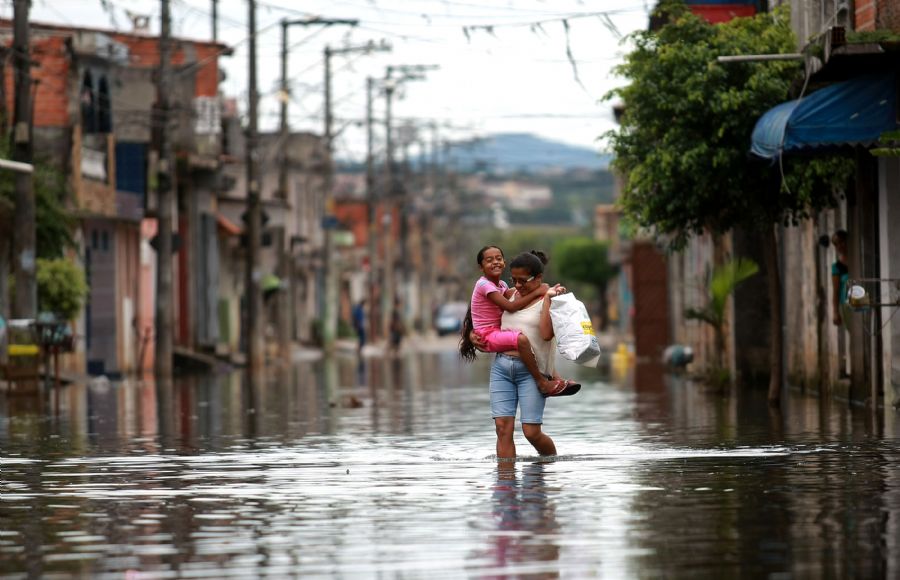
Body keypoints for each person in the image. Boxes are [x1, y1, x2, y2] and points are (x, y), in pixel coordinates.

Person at [463, 250, 579, 460]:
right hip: (502, 368)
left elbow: (545, 334)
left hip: (531, 372)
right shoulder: (510, 294)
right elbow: (485, 315)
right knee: (502, 429)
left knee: (531, 432)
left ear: (539, 279)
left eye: (523, 281)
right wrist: (472, 335)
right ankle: (505, 484)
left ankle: (550, 466)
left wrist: (548, 298)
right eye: (514, 280)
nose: (517, 285)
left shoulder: (548, 298)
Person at [460, 245, 575, 396]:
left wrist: (549, 292)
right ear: (481, 267)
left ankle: (555, 377)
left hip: (524, 356)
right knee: (521, 340)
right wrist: (469, 334)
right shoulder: (484, 285)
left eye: (499, 258)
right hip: (495, 347)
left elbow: (546, 335)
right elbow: (509, 306)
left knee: (533, 345)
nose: (495, 262)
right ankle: (542, 382)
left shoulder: (502, 286)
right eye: (515, 280)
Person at [831, 229, 849, 327]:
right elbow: (836, 291)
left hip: (864, 302)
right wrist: (835, 312)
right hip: (847, 306)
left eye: (841, 242)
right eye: (836, 244)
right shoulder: (837, 267)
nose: (839, 246)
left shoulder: (859, 259)